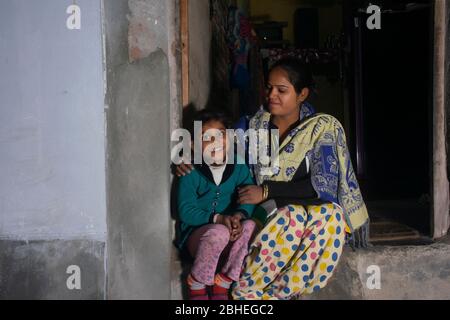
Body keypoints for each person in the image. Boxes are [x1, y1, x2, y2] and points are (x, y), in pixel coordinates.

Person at [176, 58, 369, 300]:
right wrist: (186, 158)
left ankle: (280, 294)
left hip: (304, 203)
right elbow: (217, 155)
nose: (271, 95)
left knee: (332, 217)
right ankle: (247, 290)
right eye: (268, 87)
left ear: (302, 94)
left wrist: (267, 190)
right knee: (292, 217)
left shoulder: (320, 129)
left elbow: (322, 185)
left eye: (281, 90)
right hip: (264, 210)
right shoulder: (249, 127)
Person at [175, 110, 256, 300]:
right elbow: (185, 211)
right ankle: (198, 281)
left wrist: (238, 216)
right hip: (199, 237)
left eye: (221, 134)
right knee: (219, 232)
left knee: (251, 226)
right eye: (206, 138)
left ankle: (225, 279)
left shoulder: (238, 166)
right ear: (194, 146)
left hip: (229, 234)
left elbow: (248, 197)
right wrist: (218, 219)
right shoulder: (190, 170)